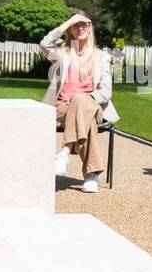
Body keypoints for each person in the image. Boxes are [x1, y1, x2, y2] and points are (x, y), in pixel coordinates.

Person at [40, 11, 119, 193]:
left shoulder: (102, 57)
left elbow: (106, 92)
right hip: (62, 107)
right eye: (76, 24)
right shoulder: (62, 53)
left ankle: (65, 154)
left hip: (92, 104)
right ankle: (91, 174)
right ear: (71, 29)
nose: (80, 27)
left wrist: (84, 99)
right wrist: (67, 22)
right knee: (85, 119)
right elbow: (44, 44)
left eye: (84, 24)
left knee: (80, 101)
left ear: (90, 28)